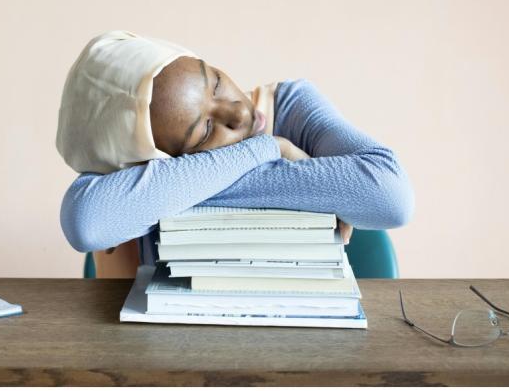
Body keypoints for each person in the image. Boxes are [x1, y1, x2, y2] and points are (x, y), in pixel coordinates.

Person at [56, 30, 415, 277]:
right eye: (206, 130)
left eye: (214, 81)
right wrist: (267, 149)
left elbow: (392, 197)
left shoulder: (290, 105)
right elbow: (87, 223)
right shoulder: (120, 166)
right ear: (154, 160)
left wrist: (186, 187)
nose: (240, 113)